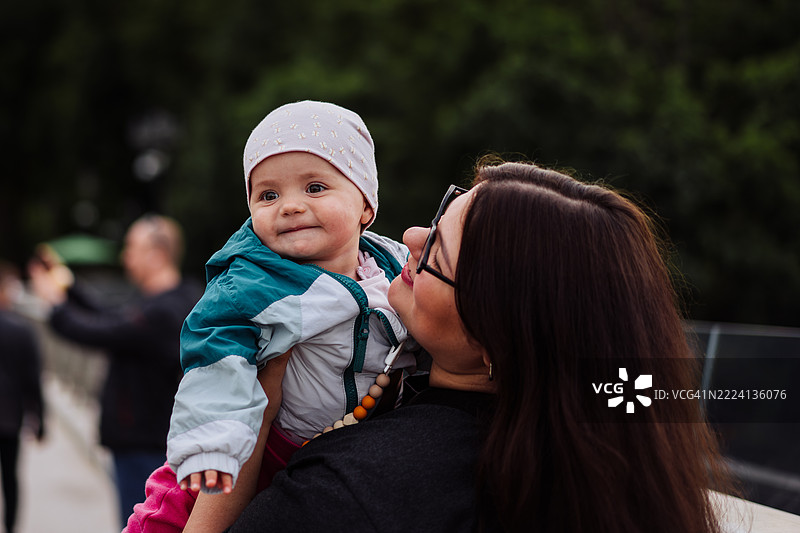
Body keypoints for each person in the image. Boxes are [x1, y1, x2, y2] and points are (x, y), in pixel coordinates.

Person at [223, 161, 733, 533]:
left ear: (496, 337)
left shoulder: (348, 493)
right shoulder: (622, 483)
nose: (412, 236)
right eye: (437, 217)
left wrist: (254, 417)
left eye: (437, 251)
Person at [150, 100, 413, 531]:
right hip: (237, 457)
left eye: (314, 188)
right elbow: (213, 360)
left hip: (328, 461)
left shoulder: (393, 272)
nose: (288, 206)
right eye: (268, 194)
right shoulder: (253, 283)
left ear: (365, 205)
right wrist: (213, 449)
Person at [28, 215, 202, 529]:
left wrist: (55, 305)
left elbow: (101, 331)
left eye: (132, 247)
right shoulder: (171, 300)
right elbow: (112, 316)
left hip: (145, 445)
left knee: (140, 524)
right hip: (150, 438)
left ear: (157, 254)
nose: (126, 256)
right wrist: (68, 285)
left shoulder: (164, 311)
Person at [0, 261, 45, 533]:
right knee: (10, 478)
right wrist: (40, 420)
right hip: (9, 417)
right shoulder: (23, 330)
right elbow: (33, 381)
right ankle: (11, 526)